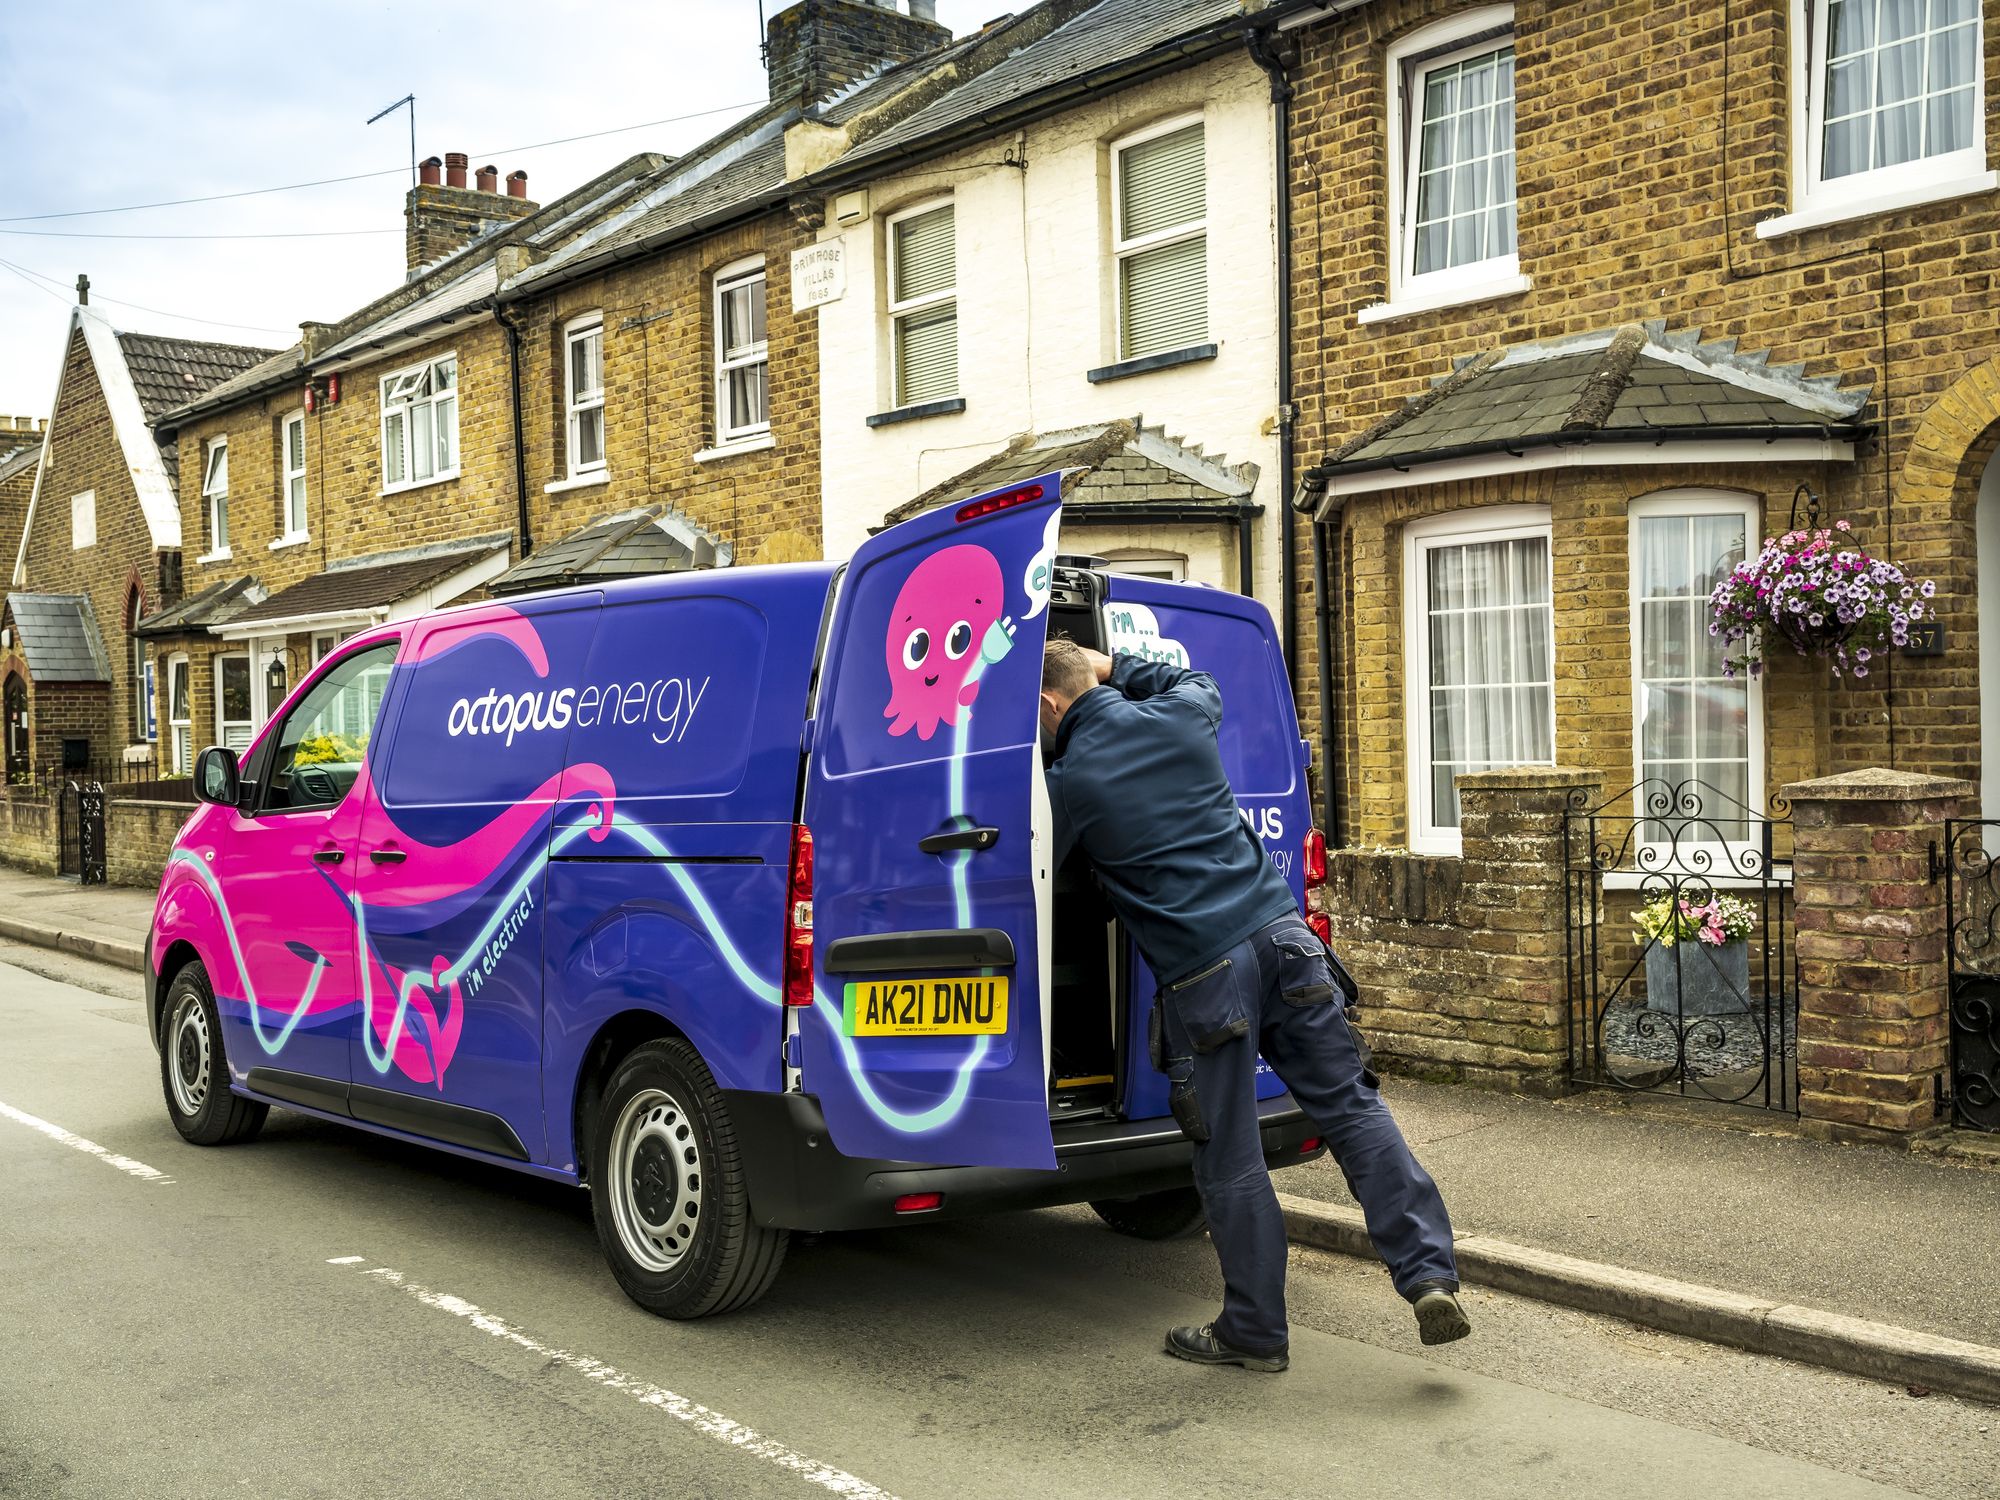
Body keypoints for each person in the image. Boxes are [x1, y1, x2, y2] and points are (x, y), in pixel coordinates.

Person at [1040, 638, 1467, 1373]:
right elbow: (1197, 677)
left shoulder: (1067, 781)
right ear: (1096, 679)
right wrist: (1109, 665)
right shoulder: (1181, 717)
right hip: (1287, 941)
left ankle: (1255, 1331)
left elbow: (1040, 869)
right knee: (1354, 1111)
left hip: (1209, 977)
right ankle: (1429, 1275)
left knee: (1229, 1154)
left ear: (1050, 706)